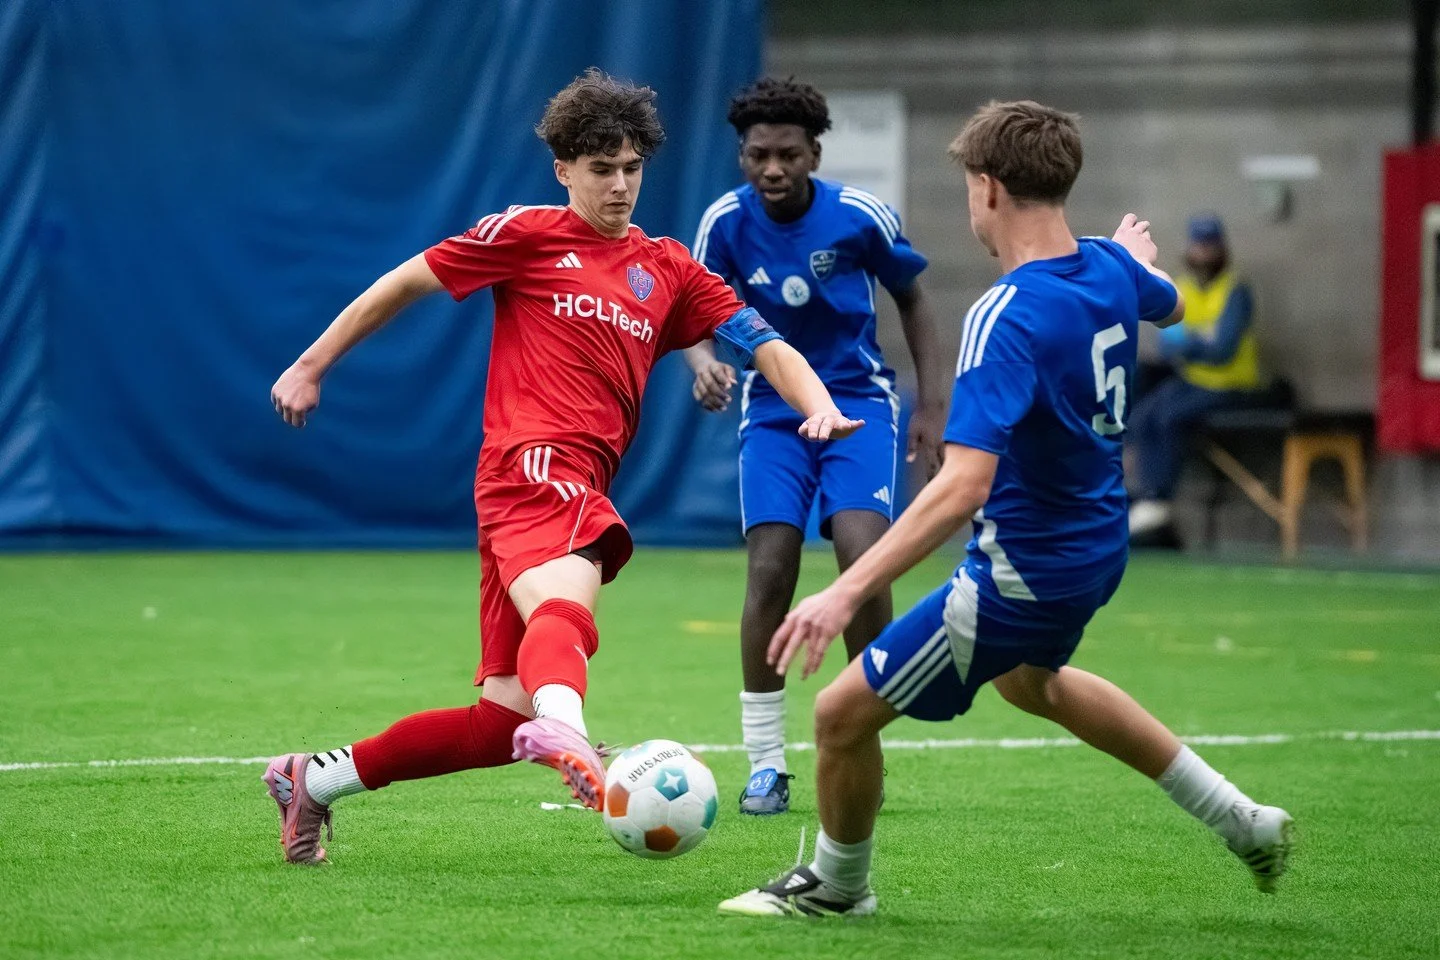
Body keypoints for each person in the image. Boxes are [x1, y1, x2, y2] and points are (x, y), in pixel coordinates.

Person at [261, 68, 865, 864]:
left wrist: (816, 402)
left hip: (566, 478)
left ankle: (314, 780)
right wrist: (312, 364)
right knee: (573, 593)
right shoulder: (526, 234)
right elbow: (405, 281)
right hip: (532, 462)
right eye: (601, 169)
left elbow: (765, 341)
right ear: (564, 169)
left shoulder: (669, 267)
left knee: (499, 719)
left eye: (631, 168)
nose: (620, 186)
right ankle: (570, 733)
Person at [719, 101, 1293, 918]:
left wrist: (846, 592)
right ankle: (1241, 819)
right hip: (1097, 549)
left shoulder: (1005, 313)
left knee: (838, 714)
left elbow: (961, 487)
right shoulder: (1106, 267)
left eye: (966, 189)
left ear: (987, 189)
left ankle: (839, 889)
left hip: (1020, 572)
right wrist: (1130, 259)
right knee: (1036, 687)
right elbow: (1162, 300)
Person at [685, 77, 948, 816]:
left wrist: (930, 405)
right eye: (758, 155)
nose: (772, 169)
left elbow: (915, 298)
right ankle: (766, 763)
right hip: (773, 412)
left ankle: (860, 735)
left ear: (814, 154)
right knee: (770, 568)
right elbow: (691, 311)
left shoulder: (858, 216)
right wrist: (704, 361)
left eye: (788, 155)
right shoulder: (724, 224)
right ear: (742, 155)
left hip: (858, 407)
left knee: (863, 559)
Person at [1127, 213, 1262, 541]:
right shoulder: (1182, 286)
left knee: (1171, 416)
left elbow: (1224, 349)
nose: (1203, 252)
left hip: (1232, 386)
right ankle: (1140, 497)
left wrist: (1189, 340)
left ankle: (1159, 499)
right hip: (1194, 381)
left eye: (1209, 245)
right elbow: (1166, 343)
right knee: (1144, 416)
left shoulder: (1235, 290)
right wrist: (1202, 339)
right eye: (1198, 245)